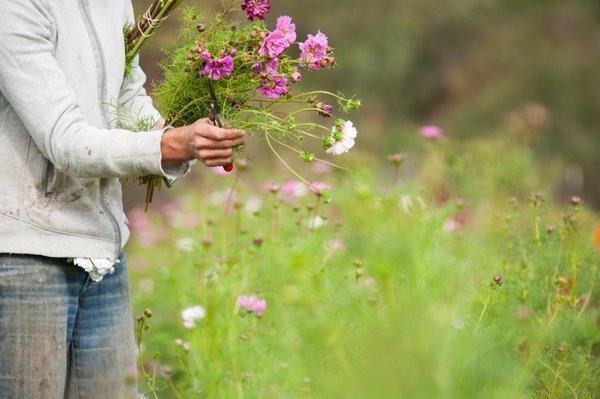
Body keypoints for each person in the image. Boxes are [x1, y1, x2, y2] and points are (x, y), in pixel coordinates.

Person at [0, 0, 245, 397]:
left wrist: (185, 134)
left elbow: (127, 100)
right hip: (28, 255)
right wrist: (171, 145)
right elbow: (66, 142)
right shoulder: (14, 8)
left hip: (104, 252)